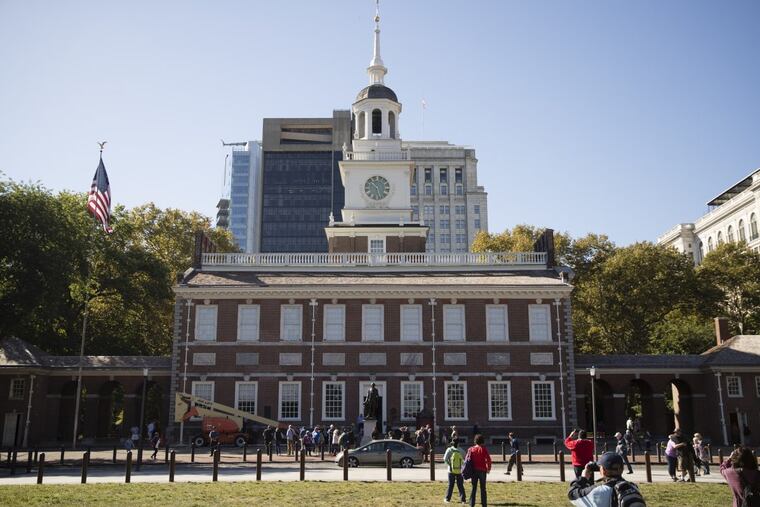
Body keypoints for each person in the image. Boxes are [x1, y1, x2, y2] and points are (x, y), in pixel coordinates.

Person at [568, 452, 647, 507]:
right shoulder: (633, 487)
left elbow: (572, 494)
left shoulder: (598, 491)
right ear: (622, 469)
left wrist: (583, 478)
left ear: (603, 470)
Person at [466, 434, 491, 507]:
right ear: (482, 441)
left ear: (475, 441)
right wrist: (488, 468)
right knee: (483, 488)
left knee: (474, 488)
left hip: (474, 470)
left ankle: (472, 503)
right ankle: (484, 504)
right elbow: (488, 459)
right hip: (482, 470)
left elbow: (467, 460)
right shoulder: (483, 449)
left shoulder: (471, 449)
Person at [443, 440, 467, 504]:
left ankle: (447, 499)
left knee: (450, 485)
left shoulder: (449, 450)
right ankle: (463, 500)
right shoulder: (461, 450)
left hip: (451, 470)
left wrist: (450, 465)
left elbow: (445, 459)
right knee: (460, 485)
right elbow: (465, 459)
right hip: (459, 470)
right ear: (458, 443)